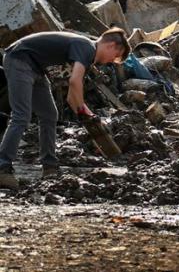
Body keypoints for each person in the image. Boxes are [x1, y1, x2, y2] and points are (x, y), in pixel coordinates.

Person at [0, 29, 130, 190]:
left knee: (49, 115)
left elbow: (71, 96)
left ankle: (49, 167)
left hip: (36, 68)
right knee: (21, 116)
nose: (112, 60)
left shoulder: (87, 56)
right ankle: (3, 167)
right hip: (19, 59)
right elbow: (75, 82)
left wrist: (88, 115)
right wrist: (82, 108)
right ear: (111, 46)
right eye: (115, 56)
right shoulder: (87, 47)